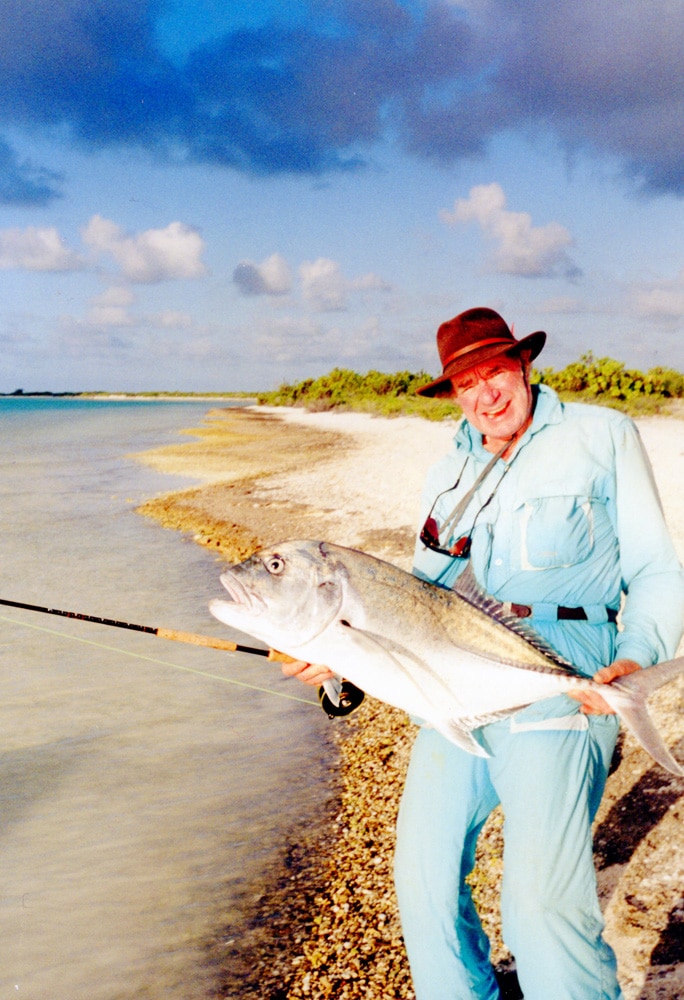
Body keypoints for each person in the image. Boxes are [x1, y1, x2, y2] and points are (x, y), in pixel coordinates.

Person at [282, 307, 684, 1000]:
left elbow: (656, 568)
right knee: (422, 884)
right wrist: (341, 667)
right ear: (452, 394)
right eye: (466, 382)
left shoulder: (601, 435)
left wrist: (636, 653)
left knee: (539, 909)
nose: (486, 393)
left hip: (567, 673)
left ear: (523, 366)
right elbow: (413, 607)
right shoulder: (447, 472)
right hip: (455, 687)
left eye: (495, 370)